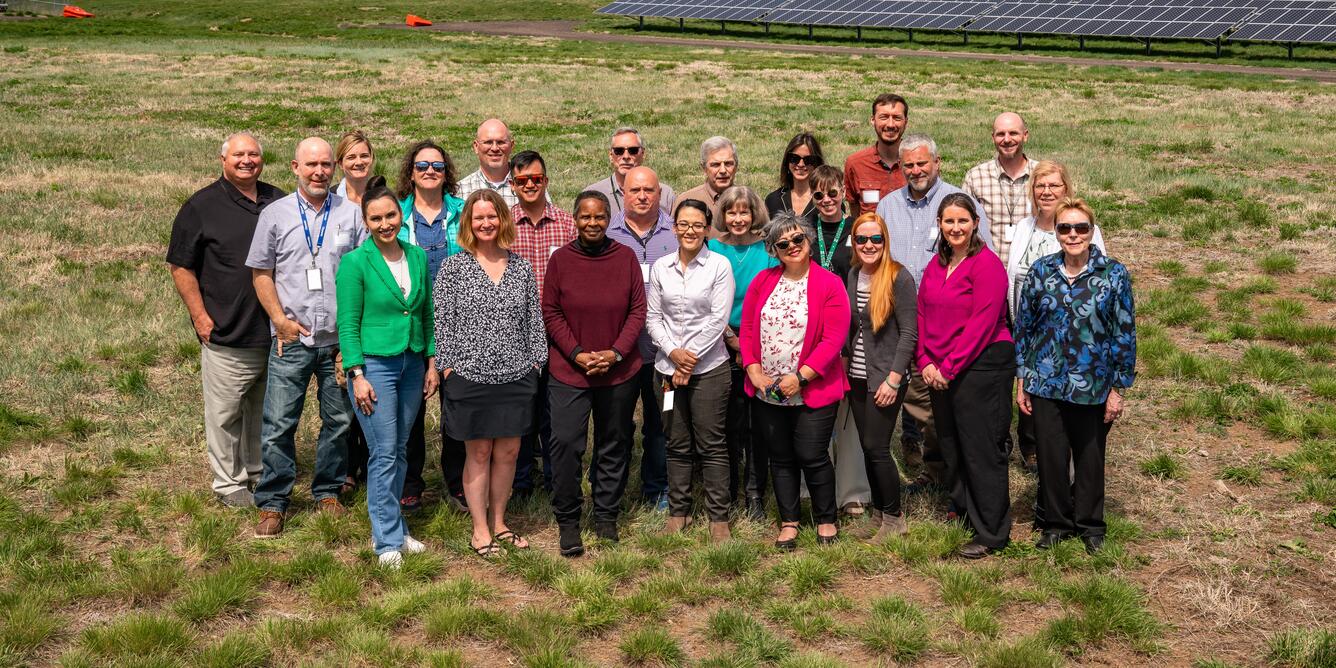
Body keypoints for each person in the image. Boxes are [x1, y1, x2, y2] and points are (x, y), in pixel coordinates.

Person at [246, 137, 365, 538]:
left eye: (326, 165)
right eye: (311, 164)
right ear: (295, 167)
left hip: (337, 341)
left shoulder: (352, 216)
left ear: (334, 168)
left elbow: (363, 275)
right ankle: (274, 500)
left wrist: (352, 339)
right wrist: (279, 320)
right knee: (279, 422)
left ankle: (327, 491)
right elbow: (261, 272)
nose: (319, 172)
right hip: (292, 338)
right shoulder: (275, 215)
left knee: (339, 421)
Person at [167, 132, 283, 508]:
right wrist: (200, 317)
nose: (247, 160)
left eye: (253, 154)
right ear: (223, 160)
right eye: (239, 155)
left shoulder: (276, 200)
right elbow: (181, 266)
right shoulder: (201, 206)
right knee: (225, 411)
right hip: (226, 329)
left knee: (263, 409)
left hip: (272, 329)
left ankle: (258, 470)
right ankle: (228, 482)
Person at [1016, 198, 1135, 555]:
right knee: (1051, 456)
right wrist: (1023, 377)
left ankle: (1090, 524)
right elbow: (1025, 327)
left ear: (1091, 232)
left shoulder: (1113, 274)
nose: (1073, 234)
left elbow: (1124, 333)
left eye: (1080, 228)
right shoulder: (1041, 271)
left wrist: (1119, 387)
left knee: (1089, 455)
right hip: (1045, 381)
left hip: (1094, 382)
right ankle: (1056, 523)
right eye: (1065, 228)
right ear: (1056, 233)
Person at [876, 133, 993, 490]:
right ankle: (934, 466)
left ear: (937, 163)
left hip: (947, 321)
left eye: (922, 163)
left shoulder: (957, 202)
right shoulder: (888, 205)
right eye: (908, 164)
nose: (915, 170)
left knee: (949, 400)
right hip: (900, 315)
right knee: (919, 398)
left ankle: (957, 472)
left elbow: (979, 254)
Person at [434, 189, 546, 557]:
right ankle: (479, 528)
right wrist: (449, 368)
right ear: (468, 222)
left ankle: (500, 522)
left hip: (517, 376)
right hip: (469, 377)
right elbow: (443, 324)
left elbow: (533, 321)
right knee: (479, 452)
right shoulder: (453, 268)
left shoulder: (521, 267)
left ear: (503, 220)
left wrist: (535, 363)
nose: (486, 223)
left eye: (492, 216)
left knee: (510, 452)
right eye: (478, 217)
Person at [335, 177, 439, 569]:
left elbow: (426, 314)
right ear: (366, 222)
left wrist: (431, 362)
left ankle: (396, 526)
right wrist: (356, 374)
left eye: (391, 215)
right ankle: (386, 542)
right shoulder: (355, 263)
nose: (384, 224)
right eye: (376, 218)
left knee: (398, 450)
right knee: (381, 453)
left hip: (412, 364)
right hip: (374, 366)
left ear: (401, 215)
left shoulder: (415, 257)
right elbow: (347, 323)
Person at [543, 191, 647, 553]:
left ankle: (606, 515)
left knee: (613, 443)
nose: (592, 223)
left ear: (609, 219)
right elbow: (551, 312)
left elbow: (638, 311)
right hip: (570, 371)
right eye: (585, 217)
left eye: (599, 217)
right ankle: (568, 520)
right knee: (566, 445)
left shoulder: (625, 258)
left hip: (618, 371)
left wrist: (615, 353)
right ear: (574, 219)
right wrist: (577, 353)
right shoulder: (561, 261)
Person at [740, 213, 850, 550]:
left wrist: (801, 377)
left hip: (812, 386)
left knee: (811, 453)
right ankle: (789, 521)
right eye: (782, 243)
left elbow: (833, 339)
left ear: (808, 240)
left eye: (797, 239)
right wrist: (752, 368)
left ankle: (826, 518)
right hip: (767, 389)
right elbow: (747, 329)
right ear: (774, 249)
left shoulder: (829, 283)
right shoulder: (762, 281)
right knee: (780, 456)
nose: (792, 247)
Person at [916, 194, 1014, 559]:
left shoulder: (986, 265)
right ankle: (964, 512)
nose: (955, 228)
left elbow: (982, 324)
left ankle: (992, 532)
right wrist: (925, 360)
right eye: (948, 221)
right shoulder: (937, 264)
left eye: (962, 221)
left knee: (981, 449)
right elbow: (923, 312)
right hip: (939, 367)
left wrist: (948, 367)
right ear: (939, 225)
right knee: (952, 444)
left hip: (982, 366)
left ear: (975, 223)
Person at [1005, 161, 1105, 475]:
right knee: (1030, 386)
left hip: (1073, 332)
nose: (1046, 192)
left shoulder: (1084, 229)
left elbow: (1099, 278)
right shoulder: (1024, 228)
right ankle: (1031, 445)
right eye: (1040, 186)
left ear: (1066, 189)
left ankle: (1072, 455)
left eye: (1054, 186)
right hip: (1029, 324)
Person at [648, 200, 735, 542]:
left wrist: (690, 358)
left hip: (709, 370)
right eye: (683, 224)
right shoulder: (661, 267)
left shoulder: (719, 266)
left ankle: (718, 517)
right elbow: (653, 318)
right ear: (674, 228)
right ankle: (679, 511)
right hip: (667, 372)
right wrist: (673, 353)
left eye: (697, 225)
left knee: (712, 444)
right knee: (676, 442)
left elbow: (718, 319)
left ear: (707, 228)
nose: (690, 231)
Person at [395, 140, 466, 513]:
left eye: (437, 166)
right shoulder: (397, 214)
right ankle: (410, 484)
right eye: (422, 166)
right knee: (411, 409)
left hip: (458, 324)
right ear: (411, 172)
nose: (429, 172)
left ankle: (457, 483)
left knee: (457, 407)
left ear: (446, 173)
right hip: (411, 324)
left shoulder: (463, 211)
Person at [606, 166, 677, 510]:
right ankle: (611, 491)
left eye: (649, 189)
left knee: (661, 423)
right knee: (616, 427)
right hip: (621, 352)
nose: (643, 196)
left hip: (662, 354)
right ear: (624, 192)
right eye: (635, 190)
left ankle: (658, 488)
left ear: (659, 192)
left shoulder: (676, 234)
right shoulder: (608, 233)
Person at [844, 213, 916, 541]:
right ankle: (880, 514)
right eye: (862, 239)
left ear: (885, 241)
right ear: (854, 243)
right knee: (866, 445)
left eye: (876, 239)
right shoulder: (854, 274)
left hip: (885, 377)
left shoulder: (899, 277)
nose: (869, 245)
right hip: (857, 375)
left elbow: (909, 334)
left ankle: (895, 519)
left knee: (877, 445)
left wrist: (894, 378)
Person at [707, 186, 775, 520]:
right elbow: (707, 301)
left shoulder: (768, 250)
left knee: (757, 428)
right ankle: (729, 491)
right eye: (731, 212)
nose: (737, 218)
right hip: (720, 347)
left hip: (759, 351)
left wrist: (748, 349)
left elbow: (773, 301)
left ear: (754, 214)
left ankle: (755, 494)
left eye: (744, 212)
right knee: (727, 427)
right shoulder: (712, 248)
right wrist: (732, 341)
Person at [509, 149, 575, 497]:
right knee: (521, 411)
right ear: (513, 185)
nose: (530, 185)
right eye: (523, 181)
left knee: (554, 413)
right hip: (515, 334)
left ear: (546, 181)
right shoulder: (503, 225)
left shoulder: (567, 224)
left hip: (557, 333)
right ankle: (520, 481)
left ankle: (555, 479)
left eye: (536, 178)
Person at [333, 130, 375, 492]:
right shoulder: (330, 204)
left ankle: (368, 462)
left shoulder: (383, 198)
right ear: (340, 164)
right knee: (343, 397)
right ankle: (346, 468)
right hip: (343, 304)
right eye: (351, 157)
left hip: (377, 307)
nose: (358, 162)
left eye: (363, 155)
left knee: (373, 389)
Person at [962, 112, 1038, 267]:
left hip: (1032, 271)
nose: (1007, 139)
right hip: (989, 270)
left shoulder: (1042, 175)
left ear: (1025, 135)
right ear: (993, 138)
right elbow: (964, 226)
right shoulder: (976, 177)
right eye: (1001, 134)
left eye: (1013, 133)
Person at [582, 127, 677, 216]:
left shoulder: (665, 195)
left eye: (633, 150)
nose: (626, 156)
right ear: (611, 156)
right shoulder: (592, 194)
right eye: (619, 151)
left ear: (643, 154)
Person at [845, 93, 909, 215]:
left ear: (906, 122)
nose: (890, 124)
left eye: (897, 118)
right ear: (873, 120)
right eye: (884, 117)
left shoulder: (918, 164)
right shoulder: (855, 164)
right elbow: (855, 212)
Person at [458, 118, 521, 207]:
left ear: (511, 146)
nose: (495, 148)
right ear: (476, 146)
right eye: (488, 142)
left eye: (501, 142)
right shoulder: (460, 191)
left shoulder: (529, 186)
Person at [674, 136, 738, 223]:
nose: (723, 170)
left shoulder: (750, 200)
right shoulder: (686, 201)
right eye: (715, 165)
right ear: (704, 168)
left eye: (728, 164)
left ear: (736, 166)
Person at [764, 132, 822, 224]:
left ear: (817, 163)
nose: (801, 164)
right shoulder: (773, 200)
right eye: (794, 158)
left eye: (808, 160)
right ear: (787, 161)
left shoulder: (828, 200)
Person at [809, 164, 854, 282]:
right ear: (811, 196)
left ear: (843, 192)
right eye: (819, 195)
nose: (826, 200)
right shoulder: (805, 229)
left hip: (846, 297)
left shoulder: (856, 228)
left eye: (832, 193)